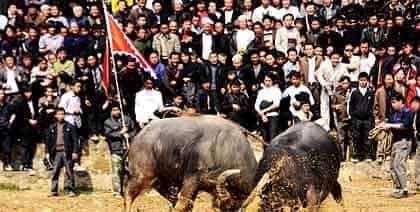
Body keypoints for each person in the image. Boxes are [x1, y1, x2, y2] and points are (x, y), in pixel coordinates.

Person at [379, 93, 412, 199]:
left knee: (399, 164)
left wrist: (389, 125)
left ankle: (404, 188)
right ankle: (397, 187)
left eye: (394, 102)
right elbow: (391, 124)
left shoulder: (407, 112)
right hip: (395, 142)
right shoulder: (394, 114)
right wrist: (384, 126)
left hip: (404, 141)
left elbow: (404, 126)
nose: (392, 104)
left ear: (401, 102)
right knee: (393, 166)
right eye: (391, 102)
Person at [103, 102, 135, 196]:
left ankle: (127, 190)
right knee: (117, 171)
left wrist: (128, 135)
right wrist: (121, 133)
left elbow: (134, 130)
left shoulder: (127, 120)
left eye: (118, 109)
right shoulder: (108, 122)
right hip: (116, 150)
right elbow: (109, 134)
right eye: (114, 110)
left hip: (128, 149)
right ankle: (117, 191)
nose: (116, 112)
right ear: (111, 111)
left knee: (128, 171)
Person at [46, 108, 79, 197]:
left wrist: (75, 152)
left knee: (69, 172)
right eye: (59, 114)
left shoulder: (70, 126)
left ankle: (71, 190)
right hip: (56, 152)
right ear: (55, 115)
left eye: (62, 114)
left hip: (67, 152)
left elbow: (75, 140)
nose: (61, 116)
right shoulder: (52, 127)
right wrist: (47, 152)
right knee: (55, 171)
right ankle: (54, 190)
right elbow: (48, 141)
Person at [348, 72, 374, 162]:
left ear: (367, 81)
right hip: (357, 119)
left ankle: (367, 155)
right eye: (361, 80)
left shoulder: (370, 92)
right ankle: (357, 156)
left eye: (365, 80)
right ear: (358, 81)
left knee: (367, 137)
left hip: (367, 119)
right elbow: (351, 106)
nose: (363, 82)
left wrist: (371, 116)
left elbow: (373, 106)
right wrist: (353, 116)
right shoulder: (355, 92)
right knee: (357, 137)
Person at [255, 73, 282, 142]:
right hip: (262, 116)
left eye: (269, 80)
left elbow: (276, 104)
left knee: (272, 137)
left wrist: (263, 111)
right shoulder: (261, 91)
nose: (267, 82)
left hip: (273, 115)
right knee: (264, 138)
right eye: (266, 80)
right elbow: (256, 105)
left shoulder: (276, 90)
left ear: (272, 81)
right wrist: (262, 115)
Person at [0, 88, 15, 171]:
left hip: (6, 129)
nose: (1, 95)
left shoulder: (8, 105)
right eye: (0, 94)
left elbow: (14, 113)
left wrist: (10, 122)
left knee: (7, 147)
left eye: (2, 94)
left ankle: (7, 164)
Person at [411, 96, 420, 192]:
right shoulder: (415, 113)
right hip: (418, 140)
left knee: (418, 160)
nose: (412, 106)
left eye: (414, 104)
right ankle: (418, 181)